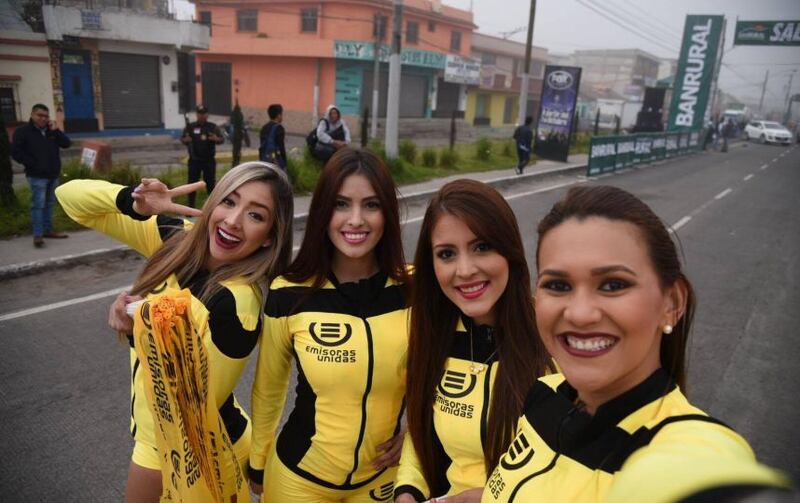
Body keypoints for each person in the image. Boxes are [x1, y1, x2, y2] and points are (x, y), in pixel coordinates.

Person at [483, 185, 790, 502]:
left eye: (613, 284)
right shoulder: (545, 391)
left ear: (672, 302)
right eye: (558, 285)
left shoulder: (685, 449)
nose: (579, 314)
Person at [55, 162, 295, 502]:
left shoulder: (235, 303)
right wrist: (134, 202)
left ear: (270, 235)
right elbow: (69, 198)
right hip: (175, 436)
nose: (232, 221)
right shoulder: (178, 238)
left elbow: (183, 402)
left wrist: (139, 331)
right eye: (229, 201)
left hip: (187, 448)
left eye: (255, 215)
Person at [248, 148, 409, 502]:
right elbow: (269, 388)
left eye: (371, 205)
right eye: (341, 204)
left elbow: (445, 369)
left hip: (383, 477)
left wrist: (416, 433)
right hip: (299, 478)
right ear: (323, 211)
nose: (356, 220)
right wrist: (257, 463)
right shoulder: (288, 292)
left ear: (387, 212)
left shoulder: (416, 288)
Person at [395, 180, 551, 503]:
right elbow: (421, 432)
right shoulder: (433, 335)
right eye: (447, 254)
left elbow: (587, 469)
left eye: (481, 247)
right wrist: (407, 490)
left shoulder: (554, 336)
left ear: (509, 250)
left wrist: (493, 498)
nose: (464, 270)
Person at [11, 103, 71, 247]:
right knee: (38, 205)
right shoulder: (23, 131)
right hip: (36, 175)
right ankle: (38, 235)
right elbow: (16, 152)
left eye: (46, 116)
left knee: (49, 203)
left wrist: (56, 130)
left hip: (53, 174)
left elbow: (66, 144)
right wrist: (32, 163)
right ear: (32, 115)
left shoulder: (51, 131)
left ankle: (48, 230)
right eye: (40, 115)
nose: (43, 118)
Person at [181, 104, 224, 208]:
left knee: (210, 183)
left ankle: (212, 206)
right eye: (200, 113)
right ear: (197, 114)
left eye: (204, 113)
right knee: (192, 184)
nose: (202, 116)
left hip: (208, 160)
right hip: (194, 160)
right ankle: (190, 206)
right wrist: (186, 140)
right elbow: (183, 139)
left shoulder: (213, 127)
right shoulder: (190, 127)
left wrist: (216, 139)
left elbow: (221, 139)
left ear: (207, 114)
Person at [259, 104, 287, 170]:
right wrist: (284, 163)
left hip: (264, 160)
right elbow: (281, 147)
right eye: (281, 114)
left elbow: (262, 145)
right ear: (278, 115)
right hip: (275, 162)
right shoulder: (279, 128)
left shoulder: (264, 128)